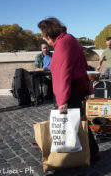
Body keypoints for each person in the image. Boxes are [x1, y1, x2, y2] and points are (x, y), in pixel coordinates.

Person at [38, 17, 100, 161]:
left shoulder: (63, 43)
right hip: (77, 87)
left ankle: (85, 151)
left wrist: (62, 100)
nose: (43, 38)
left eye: (43, 34)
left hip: (72, 90)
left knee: (74, 122)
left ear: (49, 33)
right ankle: (91, 150)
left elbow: (63, 73)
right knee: (78, 120)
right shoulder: (68, 38)